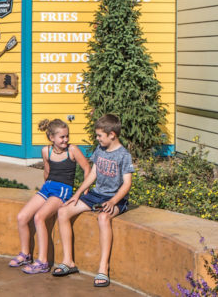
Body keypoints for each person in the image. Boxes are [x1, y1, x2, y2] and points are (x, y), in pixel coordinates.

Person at [51, 114, 134, 288]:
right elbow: (93, 174)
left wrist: (113, 201)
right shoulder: (100, 149)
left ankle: (103, 268)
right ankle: (68, 261)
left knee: (103, 218)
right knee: (63, 211)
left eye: (99, 136)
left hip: (116, 198)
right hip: (96, 194)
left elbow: (127, 184)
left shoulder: (124, 155)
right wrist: (78, 193)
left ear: (112, 134)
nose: (97, 139)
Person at [9, 118, 90, 274]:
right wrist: (42, 193)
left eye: (67, 136)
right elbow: (47, 172)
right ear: (51, 138)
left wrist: (83, 191)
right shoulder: (46, 151)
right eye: (62, 137)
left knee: (39, 217)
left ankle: (43, 262)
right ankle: (25, 254)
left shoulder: (72, 150)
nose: (66, 139)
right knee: (22, 217)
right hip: (48, 188)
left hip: (63, 190)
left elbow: (87, 168)